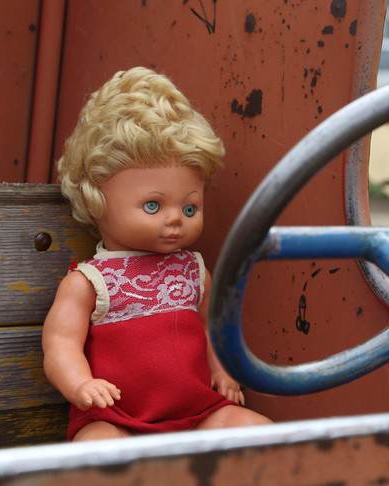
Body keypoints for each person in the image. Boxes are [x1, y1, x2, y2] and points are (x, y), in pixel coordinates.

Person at [42, 67, 272, 441]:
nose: (175, 219)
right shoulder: (89, 282)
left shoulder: (194, 271)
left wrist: (222, 371)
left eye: (190, 208)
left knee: (260, 433)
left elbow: (211, 329)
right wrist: (81, 383)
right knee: (98, 449)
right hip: (117, 418)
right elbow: (60, 344)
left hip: (196, 413)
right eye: (153, 206)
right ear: (95, 200)